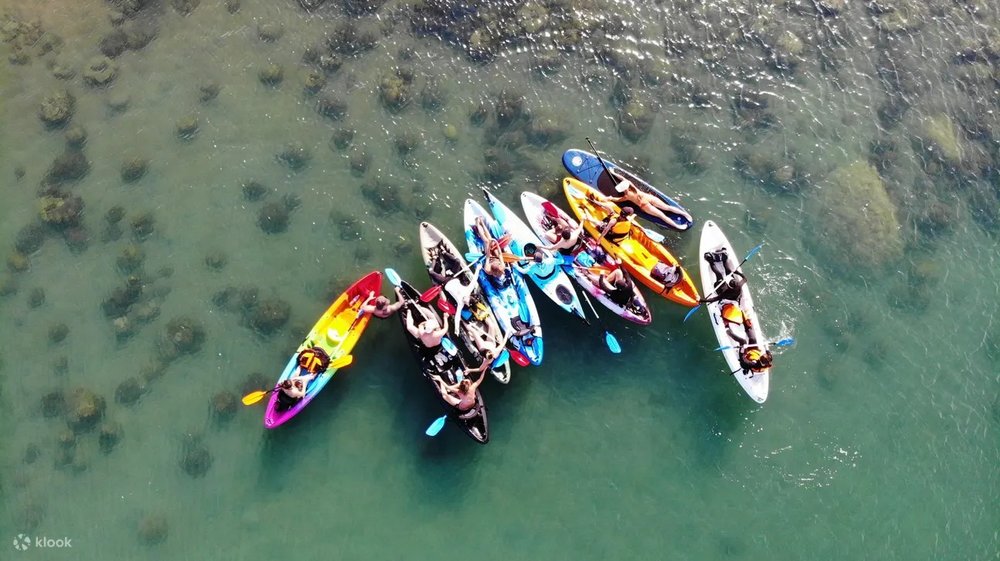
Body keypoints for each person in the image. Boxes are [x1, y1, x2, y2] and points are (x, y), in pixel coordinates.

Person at [606, 173, 692, 224]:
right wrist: (614, 173)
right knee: (667, 207)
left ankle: (677, 226)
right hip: (649, 198)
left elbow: (618, 199)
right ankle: (685, 214)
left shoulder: (626, 196)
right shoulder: (632, 186)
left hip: (645, 206)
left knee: (661, 216)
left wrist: (610, 198)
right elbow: (623, 179)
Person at [473, 216, 508, 281]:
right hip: (495, 255)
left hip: (488, 257)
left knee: (486, 241)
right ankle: (482, 224)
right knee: (490, 240)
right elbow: (500, 254)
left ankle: (478, 224)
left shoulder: (488, 269)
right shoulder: (502, 267)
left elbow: (488, 257)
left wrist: (488, 246)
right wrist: (495, 243)